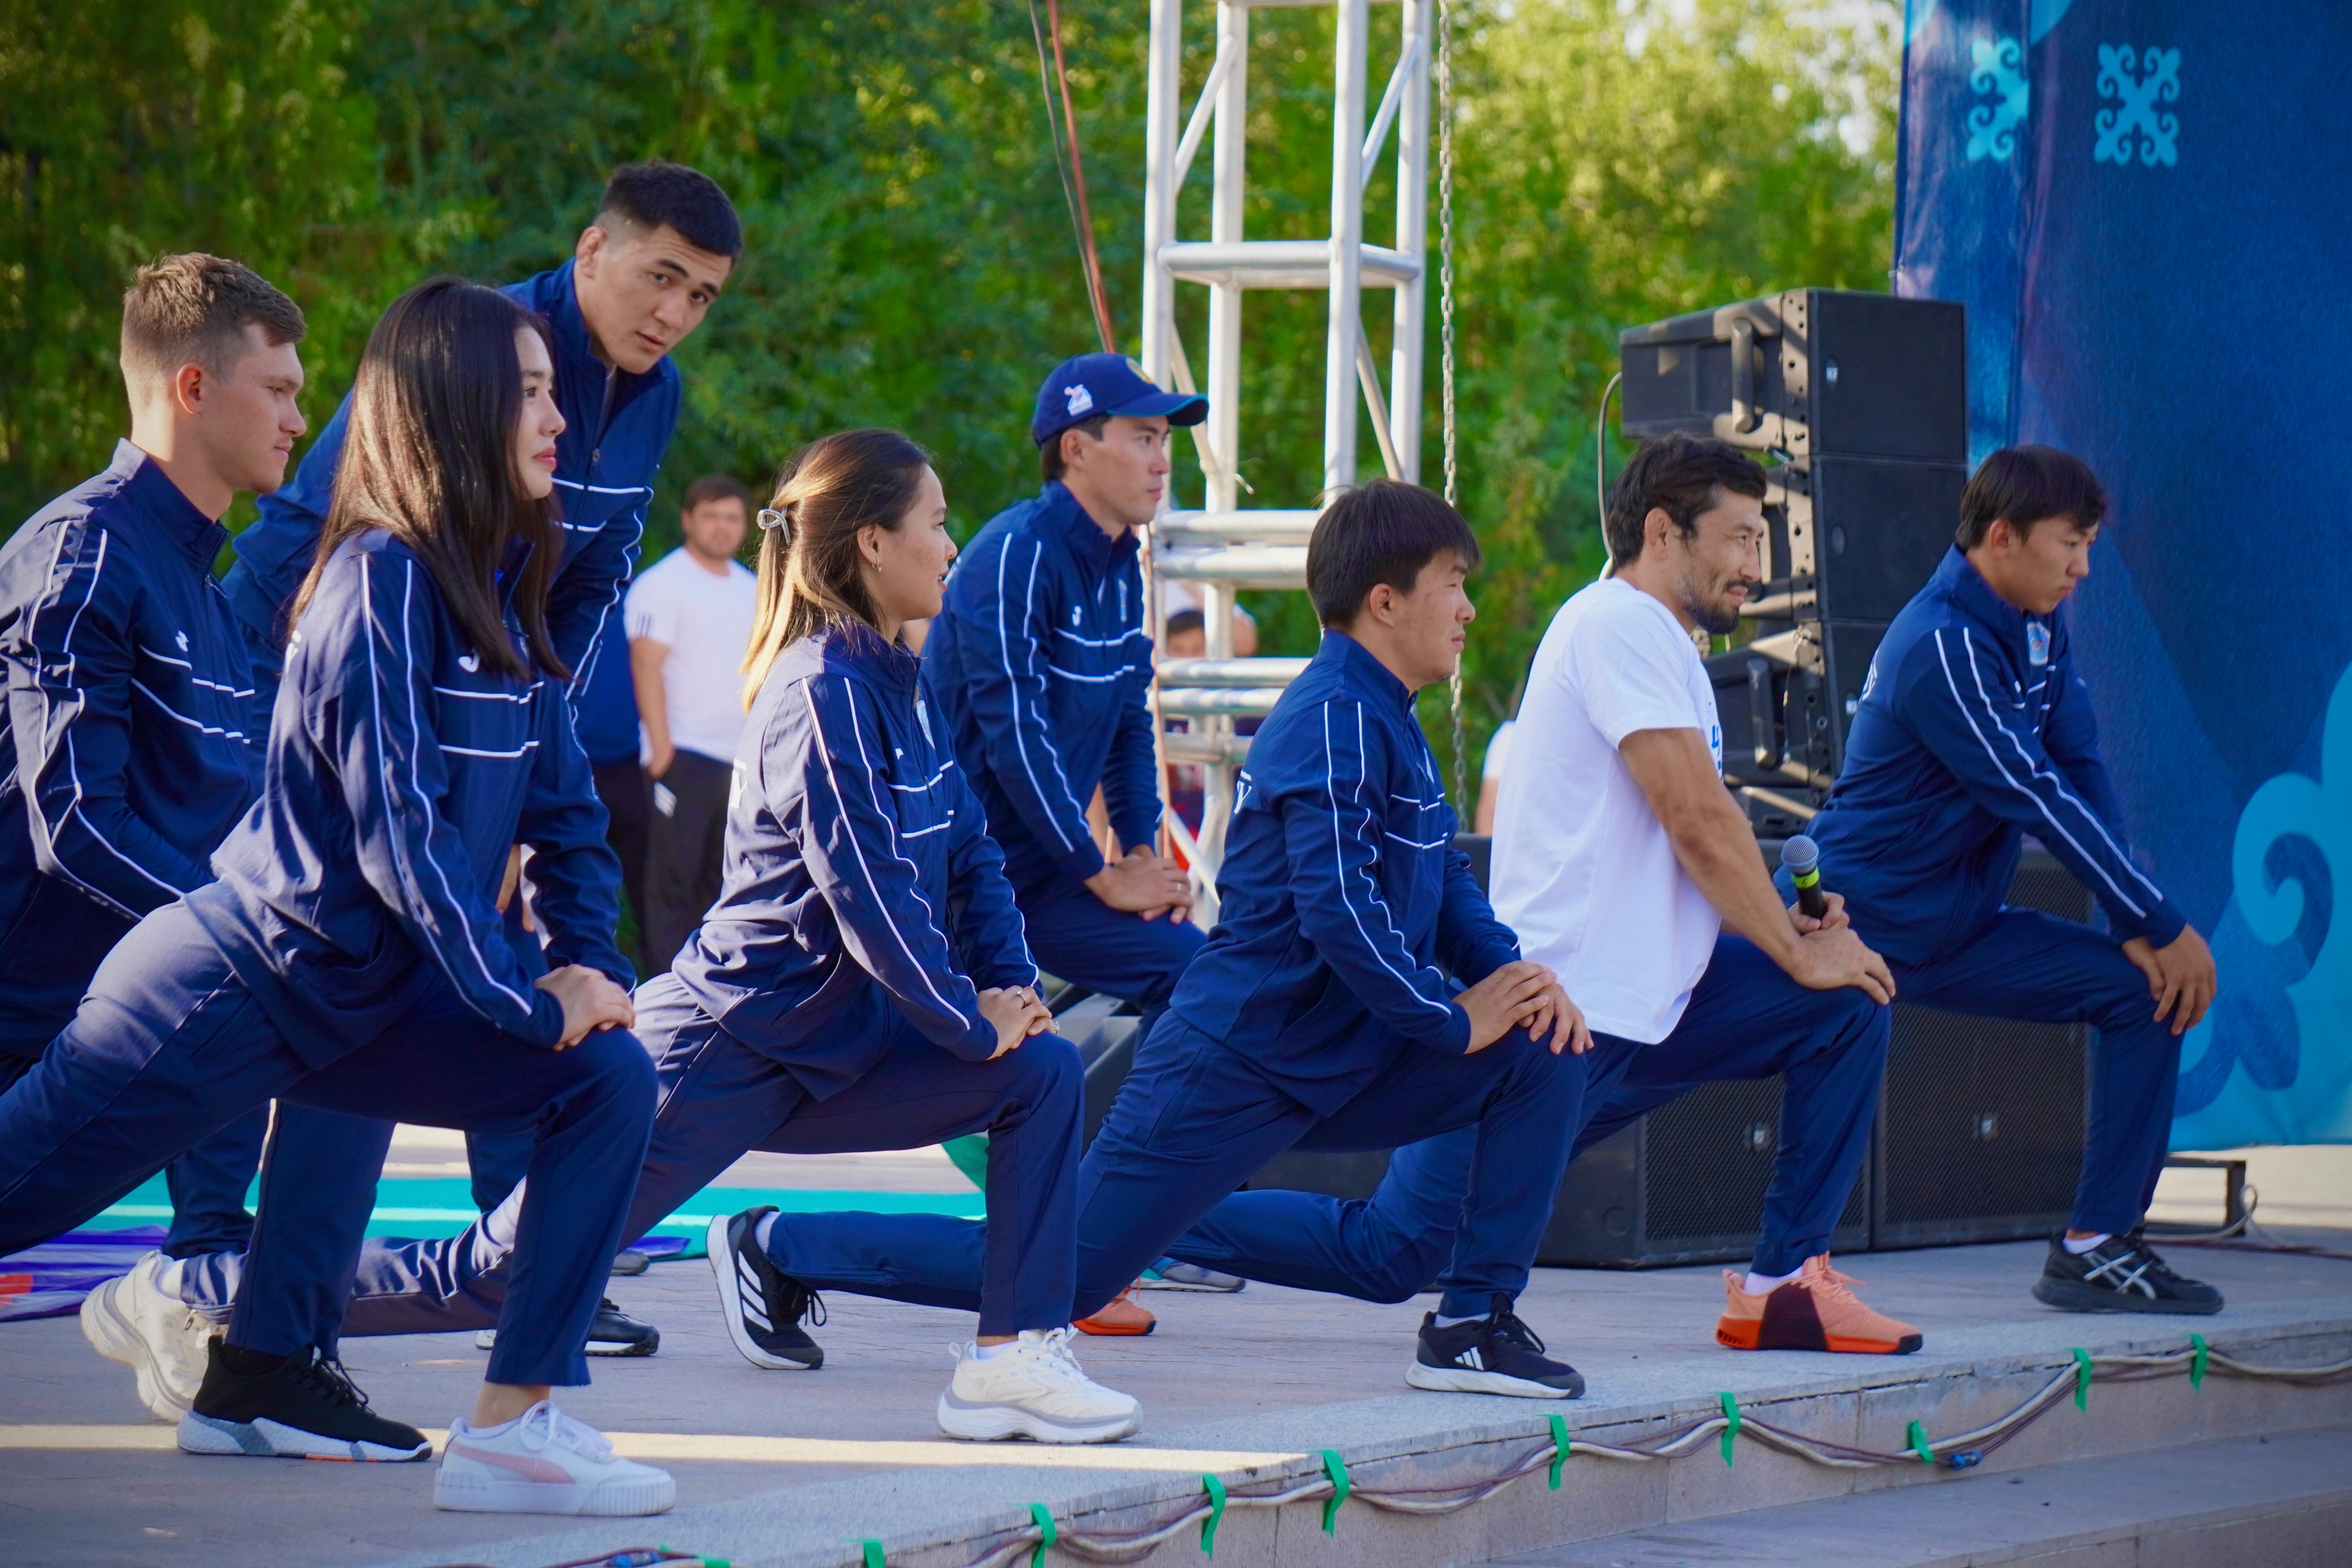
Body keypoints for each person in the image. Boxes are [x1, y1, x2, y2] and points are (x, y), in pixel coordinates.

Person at [108, 428, 1147, 1444]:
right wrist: (971, 1020)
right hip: (728, 1045)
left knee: (1041, 1073)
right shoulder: (819, 689)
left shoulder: (900, 683)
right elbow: (871, 898)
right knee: (493, 1276)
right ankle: (199, 1288)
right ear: (873, 541)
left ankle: (1011, 1357)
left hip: (845, 1045)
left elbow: (968, 854)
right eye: (937, 520)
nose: (951, 544)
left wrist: (1013, 991)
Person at [0, 279, 670, 1514]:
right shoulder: (374, 581)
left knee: (611, 1075)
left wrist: (595, 968)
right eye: (527, 390)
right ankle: (250, 1362)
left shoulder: (507, 586)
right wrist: (528, 1002)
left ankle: (508, 1428)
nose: (558, 418)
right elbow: (398, 838)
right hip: (236, 985)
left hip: (364, 998)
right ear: (455, 406)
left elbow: (567, 811)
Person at [740, 478, 1605, 1400]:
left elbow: (1441, 875)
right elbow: (1338, 910)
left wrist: (1510, 977)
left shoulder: (1387, 713)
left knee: (1543, 1051)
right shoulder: (1330, 718)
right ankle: (779, 1241)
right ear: (1385, 601)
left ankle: (1473, 1321)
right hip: (1240, 1059)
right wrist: (1449, 1018)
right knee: (1066, 1277)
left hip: (1348, 1048)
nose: (1469, 606)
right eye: (1453, 583)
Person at [1166, 434, 1918, 1359]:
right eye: (1736, 538)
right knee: (1393, 1251)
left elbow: (1684, 836)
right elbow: (1693, 815)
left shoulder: (1663, 645)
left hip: (1657, 1005)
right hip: (1569, 1016)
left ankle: (1784, 1284)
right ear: (1661, 531)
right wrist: (1794, 948)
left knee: (1845, 1001)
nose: (1754, 568)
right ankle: (1148, 1222)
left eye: (1761, 543)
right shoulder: (1618, 623)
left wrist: (1791, 923)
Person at [1799, 444, 2223, 1315]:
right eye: (2071, 543)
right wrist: (2157, 915)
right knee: (1650, 1060)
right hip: (1851, 930)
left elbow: (2080, 761)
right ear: (2002, 537)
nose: (2084, 566)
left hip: (1957, 934)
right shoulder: (1942, 645)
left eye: (2091, 544)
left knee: (2143, 991)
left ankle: (2097, 1246)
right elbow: (2030, 789)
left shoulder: (2036, 621)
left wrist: (2130, 926)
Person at [0, 255, 305, 1316]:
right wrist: (234, 931)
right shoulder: (82, 552)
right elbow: (76, 822)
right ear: (191, 387)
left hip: (116, 1019)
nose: (297, 419)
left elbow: (234, 836)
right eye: (278, 390)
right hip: (29, 1027)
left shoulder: (215, 600)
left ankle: (223, 1298)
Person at [628, 473, 756, 972]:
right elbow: (645, 663)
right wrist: (661, 749)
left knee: (722, 884)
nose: (722, 527)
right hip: (683, 754)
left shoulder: (754, 589)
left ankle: (712, 991)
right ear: (688, 520)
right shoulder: (664, 584)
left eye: (731, 517)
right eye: (711, 516)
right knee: (672, 884)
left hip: (740, 761)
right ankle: (666, 993)